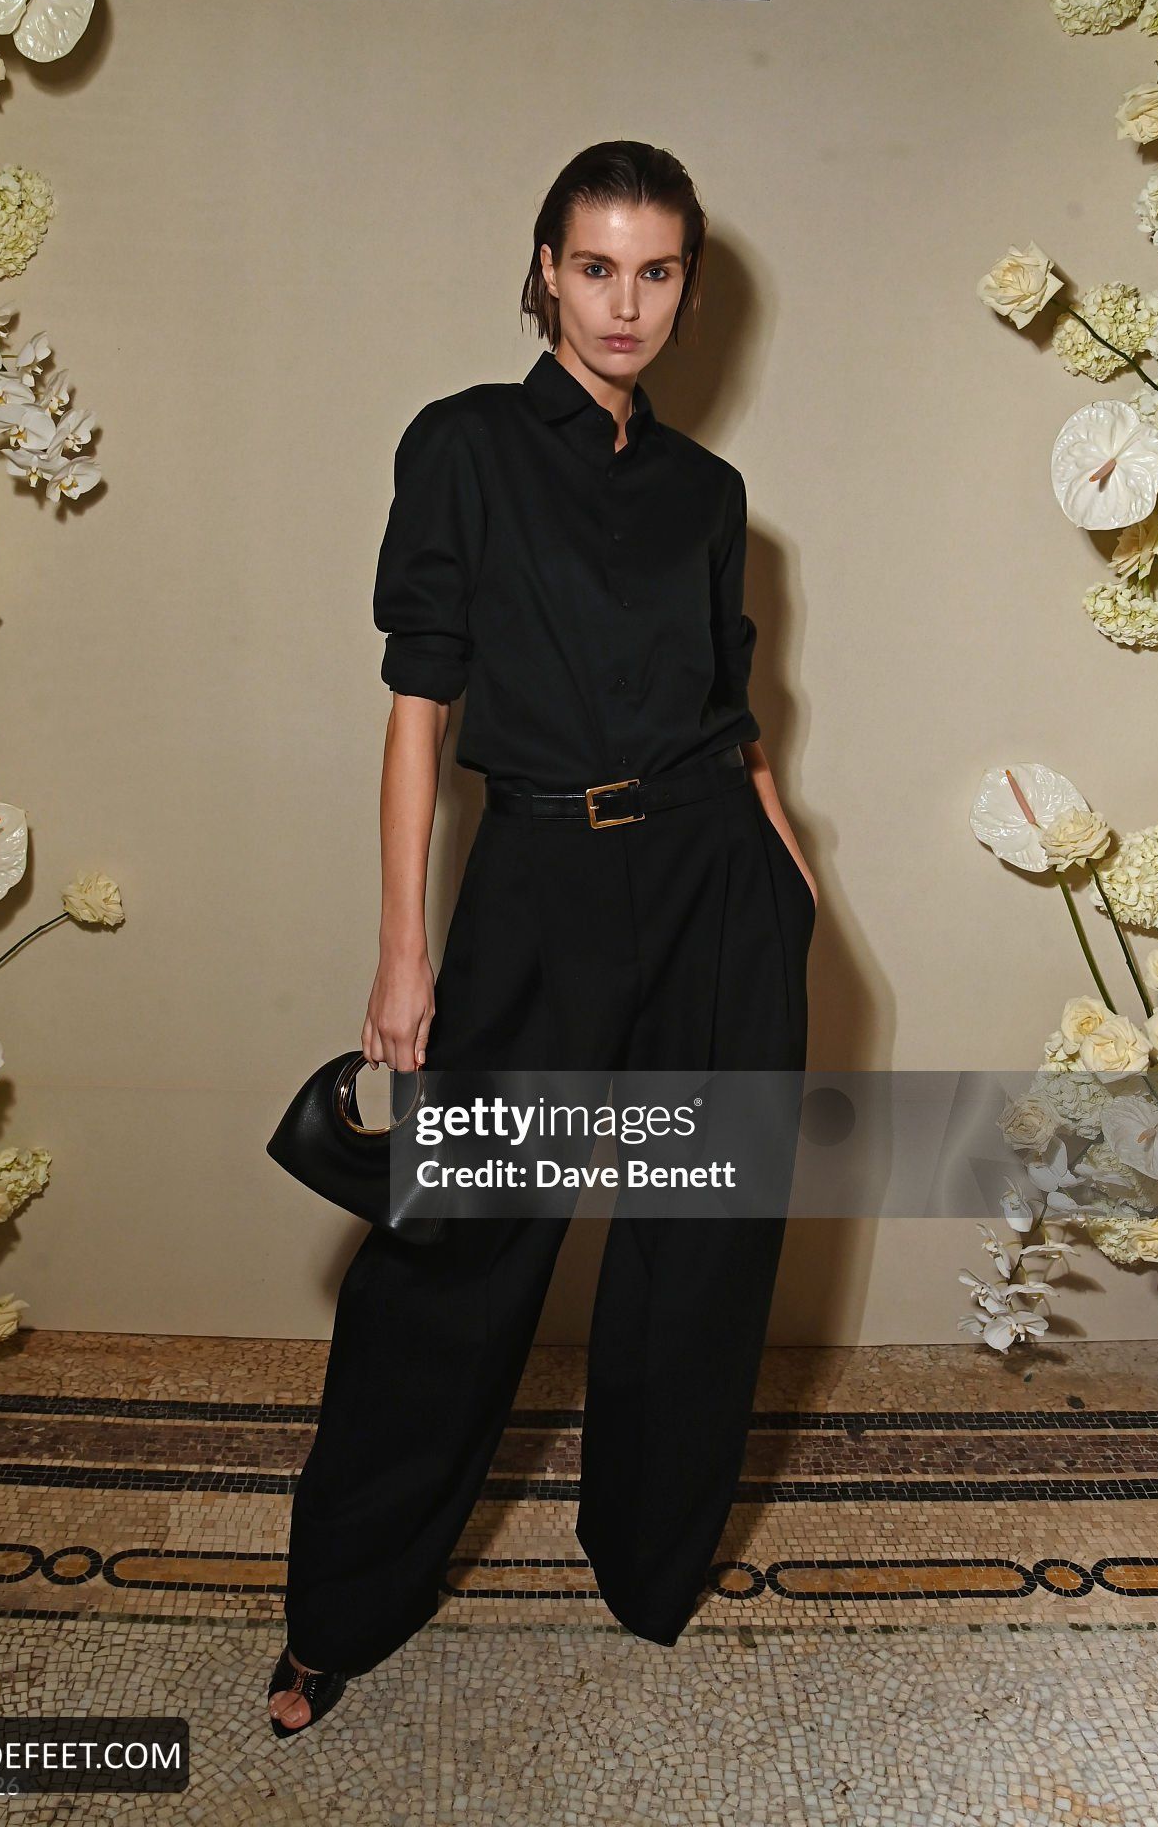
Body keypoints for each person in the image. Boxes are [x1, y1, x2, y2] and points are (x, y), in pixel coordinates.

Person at [267, 139, 817, 1738]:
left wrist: (789, 888)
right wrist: (403, 950)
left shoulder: (709, 497)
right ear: (544, 273)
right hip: (538, 885)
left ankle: (647, 1567)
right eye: (594, 267)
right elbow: (418, 706)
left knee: (698, 1249)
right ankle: (339, 1612)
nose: (622, 302)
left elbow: (735, 721)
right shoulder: (462, 446)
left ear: (688, 290)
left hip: (717, 882)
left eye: (655, 272)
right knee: (453, 1254)